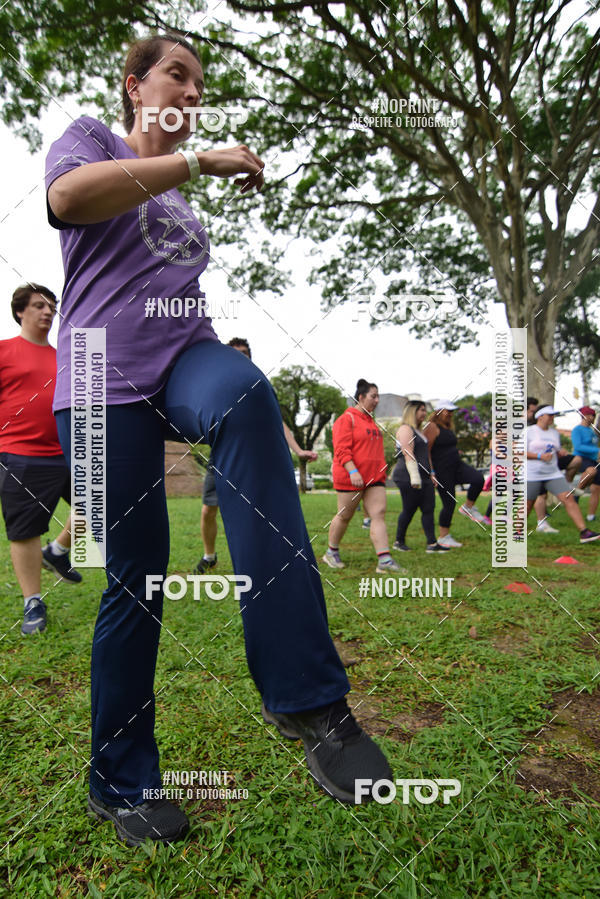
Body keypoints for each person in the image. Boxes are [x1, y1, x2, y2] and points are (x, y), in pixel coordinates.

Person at [44, 33, 391, 845]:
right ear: (136, 85)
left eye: (200, 82)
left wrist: (194, 176)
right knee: (135, 578)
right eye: (177, 73)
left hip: (182, 355)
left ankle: (307, 697)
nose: (192, 90)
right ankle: (120, 781)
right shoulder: (91, 138)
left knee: (245, 395)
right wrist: (200, 162)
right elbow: (70, 200)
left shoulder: (180, 202)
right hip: (95, 377)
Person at [195, 337, 318, 574]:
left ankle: (261, 560)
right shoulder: (216, 386)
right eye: (235, 353)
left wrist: (298, 450)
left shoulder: (258, 385)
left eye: (245, 352)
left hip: (254, 460)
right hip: (221, 458)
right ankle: (209, 556)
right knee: (208, 509)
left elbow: (279, 422)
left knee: (253, 512)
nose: (241, 357)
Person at [0, 284, 82, 636]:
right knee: (25, 530)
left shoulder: (64, 355)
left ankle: (58, 551)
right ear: (20, 311)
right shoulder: (4, 351)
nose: (47, 312)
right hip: (20, 454)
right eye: (38, 306)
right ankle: (33, 601)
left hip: (67, 451)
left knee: (101, 502)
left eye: (51, 306)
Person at [323, 379, 401, 572]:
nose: (377, 401)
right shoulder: (346, 419)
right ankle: (331, 552)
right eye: (373, 396)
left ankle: (384, 560)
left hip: (374, 478)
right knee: (345, 516)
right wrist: (353, 470)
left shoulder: (370, 422)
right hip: (351, 477)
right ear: (361, 397)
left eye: (378, 397)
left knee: (378, 514)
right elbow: (341, 449)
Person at [526, 406, 600, 543]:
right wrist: (539, 456)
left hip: (552, 473)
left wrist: (560, 452)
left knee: (569, 499)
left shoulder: (554, 433)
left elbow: (555, 449)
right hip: (533, 474)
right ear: (540, 416)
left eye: (553, 415)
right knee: (528, 504)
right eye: (549, 415)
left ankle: (584, 532)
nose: (552, 418)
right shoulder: (529, 432)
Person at [392, 400, 451, 552]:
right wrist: (415, 477)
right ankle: (399, 541)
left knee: (428, 508)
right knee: (409, 509)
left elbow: (426, 455)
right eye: (421, 410)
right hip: (407, 476)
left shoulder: (419, 430)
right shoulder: (405, 429)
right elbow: (408, 453)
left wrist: (431, 473)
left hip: (424, 476)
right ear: (412, 411)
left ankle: (432, 544)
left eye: (425, 410)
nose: (424, 413)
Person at [425, 401, 486, 547]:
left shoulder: (448, 426)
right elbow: (426, 451)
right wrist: (431, 471)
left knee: (478, 478)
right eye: (448, 411)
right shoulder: (431, 427)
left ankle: (468, 507)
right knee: (449, 503)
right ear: (439, 411)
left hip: (457, 465)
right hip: (442, 471)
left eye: (452, 411)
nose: (451, 414)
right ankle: (444, 536)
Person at [570, 406, 600, 522]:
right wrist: (597, 451)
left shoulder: (591, 432)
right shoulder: (577, 430)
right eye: (590, 415)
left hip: (593, 460)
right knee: (591, 471)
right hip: (580, 458)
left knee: (597, 488)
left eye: (593, 415)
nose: (592, 417)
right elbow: (578, 447)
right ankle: (577, 492)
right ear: (584, 416)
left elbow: (593, 447)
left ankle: (591, 516)